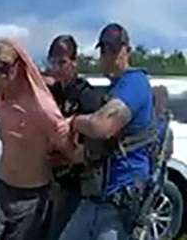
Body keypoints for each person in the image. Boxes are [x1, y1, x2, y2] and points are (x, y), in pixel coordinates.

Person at [0, 38, 80, 240]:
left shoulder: (43, 108)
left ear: (20, 65)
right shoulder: (0, 99)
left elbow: (69, 149)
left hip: (32, 198)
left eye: (4, 67)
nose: (0, 74)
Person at [59, 23, 158, 240]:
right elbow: (100, 147)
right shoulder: (114, 90)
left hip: (120, 197)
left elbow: (102, 126)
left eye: (114, 49)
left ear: (127, 51)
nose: (109, 56)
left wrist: (74, 121)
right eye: (104, 50)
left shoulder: (135, 82)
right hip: (98, 196)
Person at [44, 35, 105, 240]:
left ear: (74, 62)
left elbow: (97, 145)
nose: (57, 67)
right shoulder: (51, 94)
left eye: (62, 62)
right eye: (53, 62)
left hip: (78, 183)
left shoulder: (86, 95)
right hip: (52, 178)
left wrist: (71, 153)